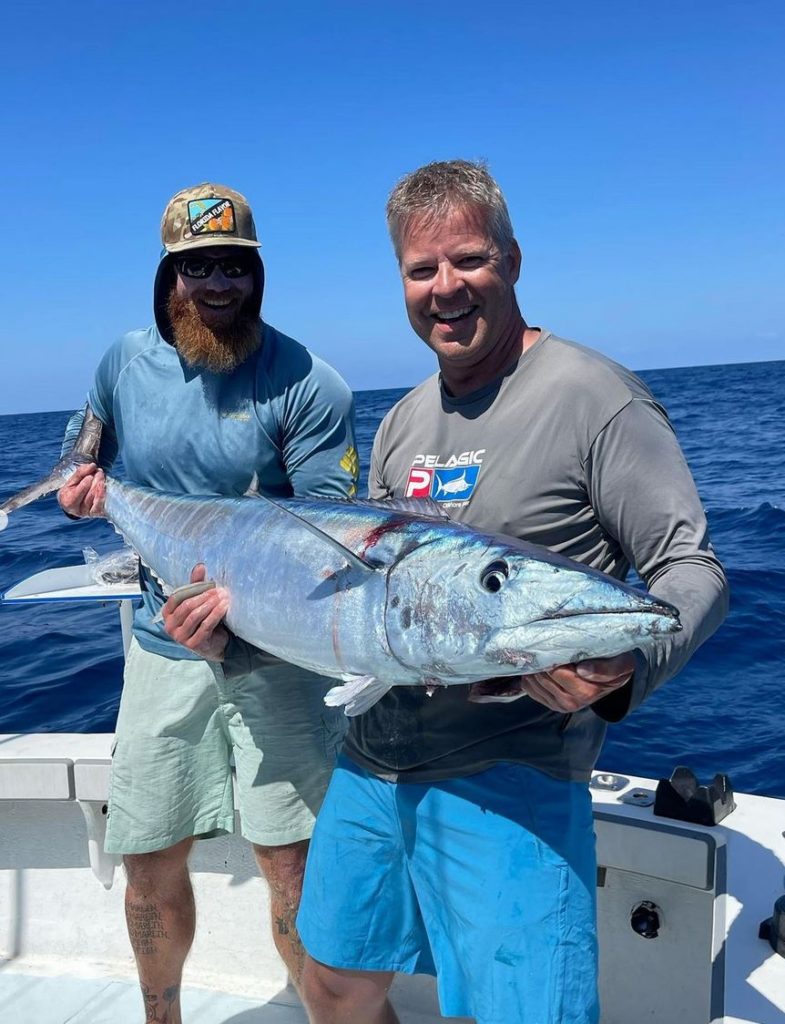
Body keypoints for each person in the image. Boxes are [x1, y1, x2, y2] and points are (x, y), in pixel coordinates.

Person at [296, 161, 729, 1024]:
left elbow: (693, 571)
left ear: (513, 259)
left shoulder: (593, 398)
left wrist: (624, 667)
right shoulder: (402, 420)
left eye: (469, 260)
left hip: (508, 775)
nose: (445, 288)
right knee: (335, 982)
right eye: (421, 271)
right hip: (371, 758)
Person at [58, 182, 359, 1022]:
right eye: (197, 267)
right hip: (161, 647)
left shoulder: (307, 383)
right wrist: (81, 476)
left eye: (234, 265)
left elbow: (330, 543)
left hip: (277, 658)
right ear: (167, 277)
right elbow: (89, 434)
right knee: (149, 859)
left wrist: (239, 635)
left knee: (292, 864)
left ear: (257, 274)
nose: (217, 283)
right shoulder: (122, 361)